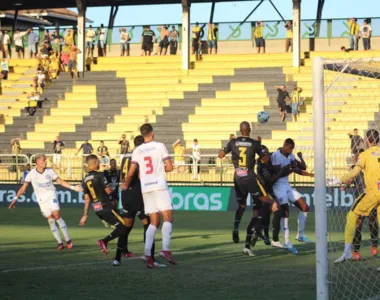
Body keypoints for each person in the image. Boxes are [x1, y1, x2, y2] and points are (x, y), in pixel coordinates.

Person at [122, 123, 175, 268]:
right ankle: (165, 249)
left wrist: (126, 183)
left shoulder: (137, 150)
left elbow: (132, 171)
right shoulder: (159, 146)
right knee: (168, 216)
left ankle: (147, 254)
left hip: (146, 188)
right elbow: (169, 167)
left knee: (154, 222)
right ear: (152, 133)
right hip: (159, 185)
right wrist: (160, 168)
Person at [218, 122, 273, 256]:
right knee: (266, 202)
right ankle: (255, 233)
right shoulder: (254, 143)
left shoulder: (233, 142)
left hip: (237, 178)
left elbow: (220, 155)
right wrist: (262, 149)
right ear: (249, 130)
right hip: (250, 178)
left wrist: (229, 143)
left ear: (240, 130)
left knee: (242, 205)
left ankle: (236, 227)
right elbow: (265, 159)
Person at [9, 154, 82, 250]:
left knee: (56, 216)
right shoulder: (31, 174)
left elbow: (60, 181)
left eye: (45, 160)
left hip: (52, 195)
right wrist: (15, 199)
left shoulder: (50, 171)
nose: (45, 162)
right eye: (43, 160)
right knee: (51, 220)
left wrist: (73, 187)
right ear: (37, 162)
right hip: (41, 200)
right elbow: (23, 188)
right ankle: (59, 242)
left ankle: (68, 240)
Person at [335, 130, 380, 263]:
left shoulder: (365, 154)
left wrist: (339, 179)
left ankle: (348, 251)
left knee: (352, 215)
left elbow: (355, 171)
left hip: (372, 192)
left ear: (367, 140)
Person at [79, 154, 133, 266]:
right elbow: (108, 191)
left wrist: (85, 215)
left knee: (122, 225)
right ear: (93, 164)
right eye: (98, 162)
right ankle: (105, 241)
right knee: (125, 225)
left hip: (98, 209)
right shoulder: (99, 175)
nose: (100, 164)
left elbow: (87, 200)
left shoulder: (84, 180)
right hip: (106, 206)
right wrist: (115, 194)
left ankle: (123, 250)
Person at [120, 135, 165, 266]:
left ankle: (121, 251)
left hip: (125, 194)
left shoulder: (125, 157)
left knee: (127, 224)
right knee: (150, 223)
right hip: (137, 193)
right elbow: (140, 176)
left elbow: (122, 175)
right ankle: (149, 256)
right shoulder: (139, 156)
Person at [271, 139, 314, 254]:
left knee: (305, 207)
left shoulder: (290, 155)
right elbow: (278, 174)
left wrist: (310, 174)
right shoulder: (275, 156)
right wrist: (291, 168)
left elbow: (299, 168)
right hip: (278, 187)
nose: (291, 151)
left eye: (292, 149)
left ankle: (300, 235)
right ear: (284, 146)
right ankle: (287, 242)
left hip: (287, 186)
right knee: (285, 213)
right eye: (290, 149)